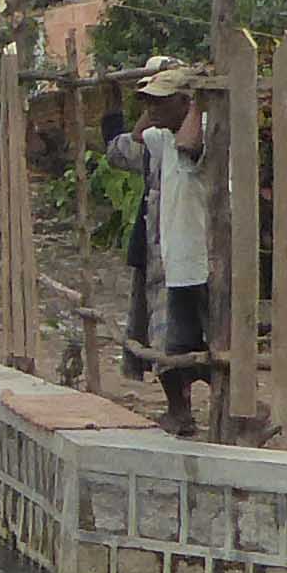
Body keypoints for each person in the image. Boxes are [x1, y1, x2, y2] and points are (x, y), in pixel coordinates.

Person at [104, 60, 225, 437]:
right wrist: (154, 105)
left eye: (160, 101)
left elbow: (191, 145)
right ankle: (182, 412)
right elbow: (135, 138)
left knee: (216, 341)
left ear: (186, 102)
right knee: (173, 342)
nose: (152, 110)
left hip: (206, 259)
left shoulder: (203, 132)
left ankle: (235, 412)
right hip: (173, 259)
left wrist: (197, 105)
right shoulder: (161, 138)